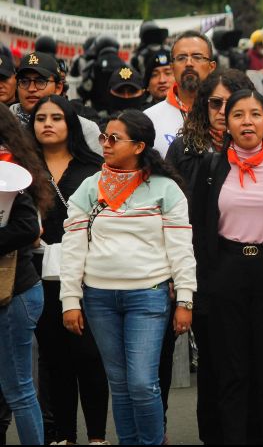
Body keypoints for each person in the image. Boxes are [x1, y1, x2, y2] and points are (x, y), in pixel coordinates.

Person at [59, 110, 196, 445]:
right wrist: (70, 299)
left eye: (114, 138)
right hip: (98, 297)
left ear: (138, 146)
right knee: (119, 385)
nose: (105, 144)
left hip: (148, 294)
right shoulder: (89, 187)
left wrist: (185, 299)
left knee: (142, 383)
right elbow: (73, 247)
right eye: (103, 137)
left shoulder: (166, 189)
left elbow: (181, 248)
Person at [191, 89, 263, 444]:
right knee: (231, 371)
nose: (247, 122)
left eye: (255, 114)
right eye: (238, 115)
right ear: (227, 124)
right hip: (226, 270)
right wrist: (202, 279)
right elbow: (198, 225)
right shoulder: (212, 166)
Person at [165, 68, 255, 445]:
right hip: (201, 267)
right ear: (203, 106)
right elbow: (172, 214)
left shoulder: (262, 148)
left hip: (251, 268)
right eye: (214, 103)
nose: (221, 111)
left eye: (230, 103)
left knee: (251, 360)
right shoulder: (183, 149)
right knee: (215, 362)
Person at [26, 95, 109, 446]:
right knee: (54, 357)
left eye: (56, 117)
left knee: (89, 355)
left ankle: (97, 436)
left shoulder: (93, 168)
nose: (47, 123)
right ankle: (64, 436)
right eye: (40, 118)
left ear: (71, 124)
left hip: (88, 271)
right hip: (37, 270)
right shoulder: (23, 170)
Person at [0, 103, 54, 446]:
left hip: (14, 292)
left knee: (18, 388)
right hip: (14, 291)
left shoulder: (8, 168)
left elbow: (26, 228)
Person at [10, 52, 102, 156]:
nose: (31, 88)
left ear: (58, 88)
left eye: (40, 81)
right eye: (24, 82)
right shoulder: (4, 123)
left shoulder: (85, 129)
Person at [144, 31, 216, 158]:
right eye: (181, 58)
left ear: (211, 67)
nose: (189, 63)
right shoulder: (149, 119)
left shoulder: (226, 114)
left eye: (197, 57)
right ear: (172, 67)